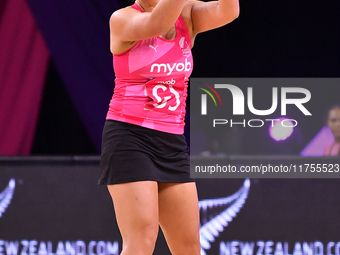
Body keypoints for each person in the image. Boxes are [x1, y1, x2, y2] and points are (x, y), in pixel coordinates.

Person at [98, 0, 239, 253]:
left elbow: (228, 11)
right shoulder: (121, 19)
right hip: (130, 137)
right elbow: (156, 23)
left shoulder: (186, 13)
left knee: (189, 246)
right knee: (142, 240)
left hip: (172, 142)